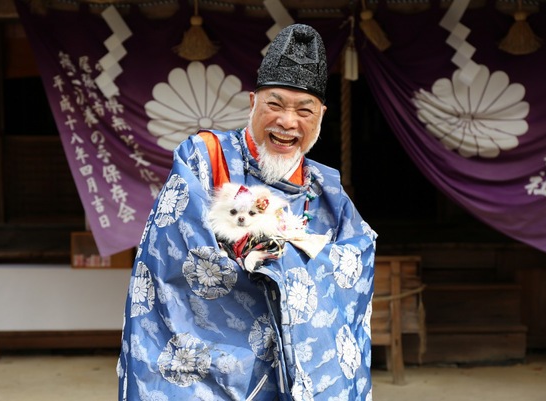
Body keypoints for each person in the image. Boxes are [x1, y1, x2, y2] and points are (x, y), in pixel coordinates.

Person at [117, 23, 377, 401]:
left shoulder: (325, 189)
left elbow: (357, 258)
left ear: (321, 115)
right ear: (252, 101)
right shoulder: (205, 158)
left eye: (304, 110)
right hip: (207, 370)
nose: (288, 122)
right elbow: (177, 254)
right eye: (275, 104)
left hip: (296, 378)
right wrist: (292, 261)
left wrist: (280, 261)